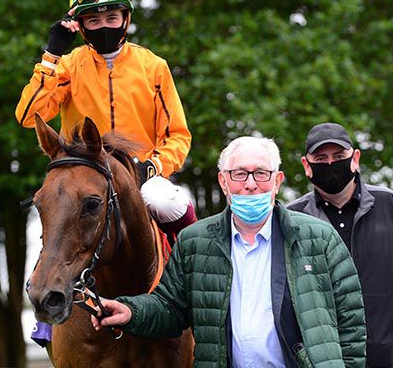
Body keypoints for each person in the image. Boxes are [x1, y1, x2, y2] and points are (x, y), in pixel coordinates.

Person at [90, 136, 366, 367]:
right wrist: (131, 311)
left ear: (277, 181)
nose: (250, 183)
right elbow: (170, 308)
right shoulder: (195, 243)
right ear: (223, 181)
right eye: (239, 174)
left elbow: (351, 324)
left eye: (261, 173)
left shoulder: (320, 238)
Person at [15, 0, 195, 244]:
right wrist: (51, 55)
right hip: (84, 173)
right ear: (80, 25)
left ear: (126, 18)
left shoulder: (154, 67)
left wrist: (152, 166)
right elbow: (28, 115)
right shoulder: (67, 66)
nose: (104, 26)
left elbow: (178, 136)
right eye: (94, 20)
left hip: (140, 174)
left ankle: (192, 262)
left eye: (112, 18)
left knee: (167, 202)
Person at [287, 122, 393, 368]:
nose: (331, 164)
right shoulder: (292, 220)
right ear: (306, 165)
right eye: (321, 158)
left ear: (355, 158)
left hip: (388, 361)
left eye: (339, 156)